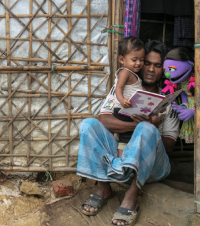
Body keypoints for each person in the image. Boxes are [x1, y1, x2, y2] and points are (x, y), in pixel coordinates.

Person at [77, 40, 180, 226]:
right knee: (88, 124)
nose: (150, 69)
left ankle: (131, 197)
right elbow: (104, 120)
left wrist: (147, 130)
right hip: (119, 159)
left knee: (147, 128)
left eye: (157, 65)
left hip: (154, 167)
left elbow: (171, 142)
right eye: (146, 63)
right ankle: (104, 188)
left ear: (164, 69)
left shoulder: (169, 100)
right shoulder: (122, 92)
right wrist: (137, 125)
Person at [114, 36, 145, 109]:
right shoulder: (125, 72)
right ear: (122, 59)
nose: (138, 63)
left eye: (141, 60)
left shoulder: (132, 74)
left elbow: (142, 90)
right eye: (134, 60)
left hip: (129, 109)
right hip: (122, 108)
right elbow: (119, 87)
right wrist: (122, 100)